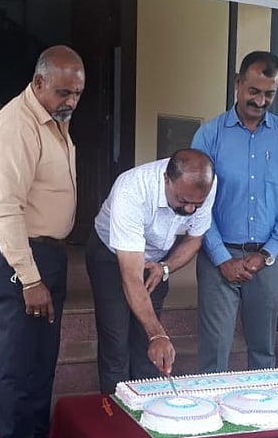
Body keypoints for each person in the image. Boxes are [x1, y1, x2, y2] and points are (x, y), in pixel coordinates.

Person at [0, 45, 85, 438]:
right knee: (21, 363)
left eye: (78, 93)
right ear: (39, 82)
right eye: (63, 92)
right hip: (22, 256)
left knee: (43, 361)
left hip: (49, 253)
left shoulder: (53, 119)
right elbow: (5, 210)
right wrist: (30, 278)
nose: (71, 101)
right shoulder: (16, 128)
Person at [192, 51, 278, 373]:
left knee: (264, 350)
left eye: (269, 94)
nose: (260, 101)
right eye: (254, 91)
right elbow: (199, 201)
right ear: (238, 84)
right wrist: (221, 258)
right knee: (214, 351)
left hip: (267, 261)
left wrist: (268, 253)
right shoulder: (210, 135)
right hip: (218, 257)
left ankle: (260, 416)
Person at [87, 149, 216, 393]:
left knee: (146, 346)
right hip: (111, 257)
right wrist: (158, 334)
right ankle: (115, 417)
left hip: (156, 258)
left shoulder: (205, 184)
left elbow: (194, 239)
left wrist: (165, 268)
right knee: (116, 344)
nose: (189, 210)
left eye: (196, 205)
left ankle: (144, 412)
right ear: (166, 179)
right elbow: (131, 276)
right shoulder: (132, 189)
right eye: (182, 201)